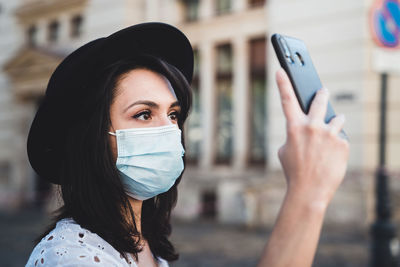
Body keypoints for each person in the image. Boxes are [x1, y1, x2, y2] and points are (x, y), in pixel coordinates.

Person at [25, 22, 349, 267]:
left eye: (173, 113)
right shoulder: (71, 257)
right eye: (143, 114)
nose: (169, 129)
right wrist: (307, 194)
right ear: (90, 137)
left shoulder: (143, 243)